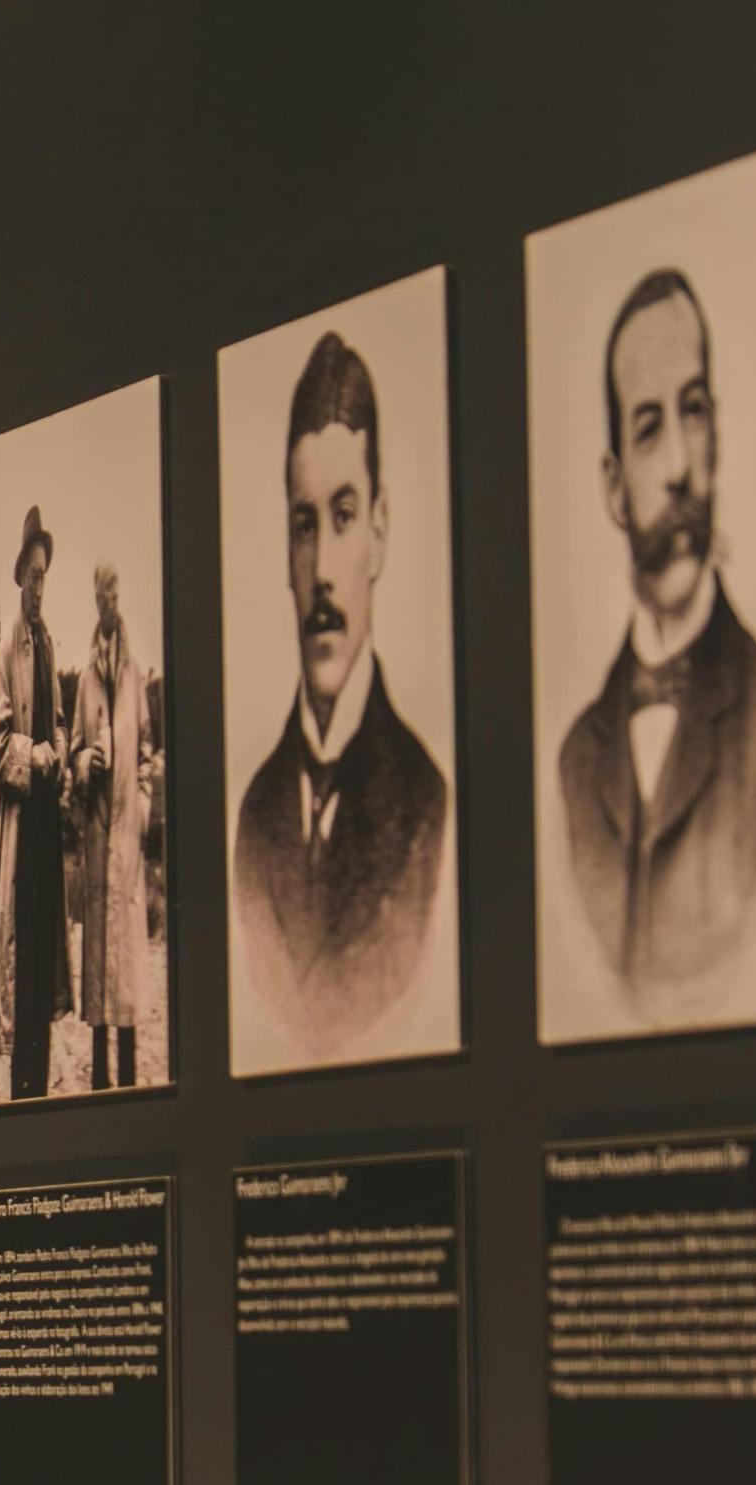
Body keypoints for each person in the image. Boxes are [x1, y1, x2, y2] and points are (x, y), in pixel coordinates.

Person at [551, 267, 756, 1018]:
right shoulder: (572, 763)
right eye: (649, 428)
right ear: (613, 486)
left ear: (718, 436)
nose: (680, 470)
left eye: (693, 414)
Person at [232, 326, 452, 1056]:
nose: (323, 564)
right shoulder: (256, 814)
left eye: (345, 517)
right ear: (287, 553)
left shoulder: (425, 802)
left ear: (381, 534)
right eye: (304, 525)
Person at [0, 506, 72, 1100]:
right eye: (32, 574)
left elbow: (61, 721)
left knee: (42, 968)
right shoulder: (8, 651)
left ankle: (38, 1090)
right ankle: (21, 1095)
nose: (39, 585)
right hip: (20, 826)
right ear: (19, 578)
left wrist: (61, 749)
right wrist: (33, 755)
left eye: (45, 574)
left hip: (47, 829)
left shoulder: (46, 643)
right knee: (22, 962)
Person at [70, 561, 162, 1089]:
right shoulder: (86, 680)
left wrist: (144, 806)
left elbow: (146, 751)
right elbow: (77, 750)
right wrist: (85, 765)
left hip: (126, 838)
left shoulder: (133, 676)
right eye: (104, 589)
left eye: (116, 588)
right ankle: (101, 1085)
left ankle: (127, 1081)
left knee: (124, 979)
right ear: (95, 599)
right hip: (98, 839)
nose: (111, 598)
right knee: (100, 985)